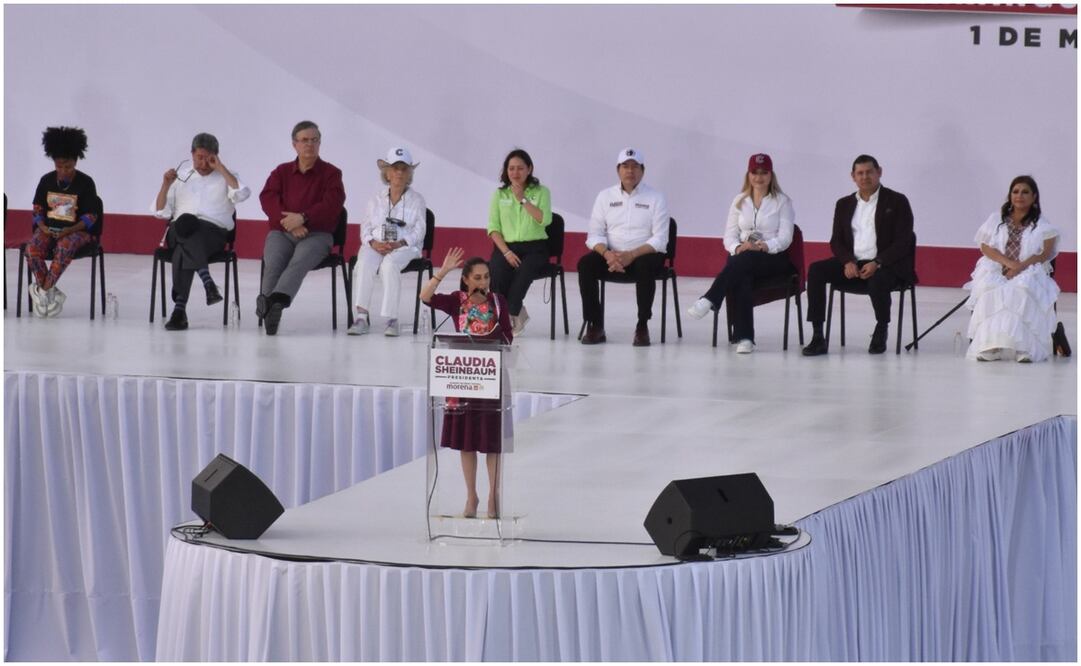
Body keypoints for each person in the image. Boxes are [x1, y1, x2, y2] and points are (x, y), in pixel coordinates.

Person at [420, 247, 513, 519]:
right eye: (478, 278)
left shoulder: (498, 302)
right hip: (462, 377)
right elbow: (425, 297)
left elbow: (508, 338)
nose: (483, 283)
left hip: (491, 376)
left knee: (491, 442)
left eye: (486, 278)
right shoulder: (456, 301)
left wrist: (496, 340)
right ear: (466, 280)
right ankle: (471, 496)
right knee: (467, 441)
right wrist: (443, 271)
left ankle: (493, 497)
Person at [802, 155, 914, 355]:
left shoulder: (897, 201)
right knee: (816, 270)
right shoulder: (843, 204)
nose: (865, 177)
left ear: (879, 172)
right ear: (853, 177)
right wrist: (847, 261)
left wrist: (878, 262)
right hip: (853, 263)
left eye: (869, 172)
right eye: (860, 173)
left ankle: (881, 328)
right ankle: (818, 335)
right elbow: (836, 241)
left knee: (878, 279)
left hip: (887, 265)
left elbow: (904, 242)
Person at [686, 154, 796, 353]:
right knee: (742, 272)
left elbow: (786, 237)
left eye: (764, 173)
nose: (759, 177)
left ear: (771, 175)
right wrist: (737, 247)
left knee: (740, 264)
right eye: (755, 172)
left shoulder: (783, 201)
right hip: (744, 256)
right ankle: (745, 339)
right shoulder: (739, 200)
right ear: (748, 174)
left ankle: (711, 298)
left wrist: (764, 246)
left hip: (773, 258)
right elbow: (729, 235)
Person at [152, 133, 250, 330]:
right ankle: (207, 282)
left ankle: (179, 311)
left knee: (184, 247)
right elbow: (160, 212)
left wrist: (221, 168)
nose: (203, 163)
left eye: (208, 158)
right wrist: (165, 185)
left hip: (213, 234)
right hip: (179, 229)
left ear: (216, 156)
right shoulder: (181, 178)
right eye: (199, 157)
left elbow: (242, 194)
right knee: (186, 223)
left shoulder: (227, 176)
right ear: (192, 154)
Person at [258, 120, 346, 335]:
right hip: (283, 231)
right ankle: (271, 309)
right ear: (294, 144)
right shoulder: (281, 172)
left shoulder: (331, 173)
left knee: (299, 261)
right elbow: (267, 198)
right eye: (304, 140)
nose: (310, 144)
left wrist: (303, 218)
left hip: (318, 235)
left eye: (314, 140)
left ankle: (274, 301)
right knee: (274, 262)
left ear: (320, 143)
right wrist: (289, 223)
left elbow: (333, 204)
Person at [578, 147, 670, 346]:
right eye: (625, 166)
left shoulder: (656, 198)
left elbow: (661, 239)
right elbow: (594, 235)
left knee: (646, 265)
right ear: (618, 170)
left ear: (642, 171)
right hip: (611, 256)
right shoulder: (604, 196)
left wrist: (632, 255)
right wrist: (607, 254)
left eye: (635, 166)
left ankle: (642, 325)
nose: (630, 171)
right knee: (586, 264)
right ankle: (595, 324)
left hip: (643, 255)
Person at [963, 175, 1060, 362]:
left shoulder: (1043, 225)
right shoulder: (996, 219)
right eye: (1015, 192)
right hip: (998, 267)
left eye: (1025, 192)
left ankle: (1024, 348)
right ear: (1010, 195)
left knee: (1020, 292)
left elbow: (1045, 253)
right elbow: (985, 247)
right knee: (991, 292)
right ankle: (991, 345)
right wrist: (1009, 264)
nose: (1019, 196)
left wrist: (1020, 267)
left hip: (1029, 269)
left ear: (1034, 197)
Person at [347, 147, 427, 337]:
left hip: (406, 247)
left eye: (404, 169)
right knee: (364, 263)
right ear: (387, 174)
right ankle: (361, 317)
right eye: (395, 168)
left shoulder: (417, 200)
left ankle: (391, 319)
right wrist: (373, 243)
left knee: (389, 265)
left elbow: (420, 230)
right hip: (376, 245)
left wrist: (399, 243)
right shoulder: (375, 199)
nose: (399, 173)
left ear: (409, 174)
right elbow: (365, 227)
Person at [26, 126, 102, 318]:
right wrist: (43, 227)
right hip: (49, 228)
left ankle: (43, 291)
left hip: (77, 232)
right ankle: (51, 292)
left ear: (75, 162)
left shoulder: (86, 183)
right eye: (59, 166)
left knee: (64, 245)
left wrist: (68, 231)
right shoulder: (46, 181)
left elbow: (91, 217)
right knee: (31, 249)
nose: (63, 171)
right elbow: (37, 210)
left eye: (67, 166)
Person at [486, 148, 552, 335]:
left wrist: (522, 199)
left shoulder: (541, 192)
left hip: (535, 248)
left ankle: (509, 316)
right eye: (511, 168)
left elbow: (544, 219)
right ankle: (510, 315)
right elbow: (493, 228)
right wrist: (506, 252)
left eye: (520, 168)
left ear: (529, 169)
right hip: (506, 246)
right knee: (497, 272)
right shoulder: (499, 194)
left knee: (522, 275)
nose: (515, 173)